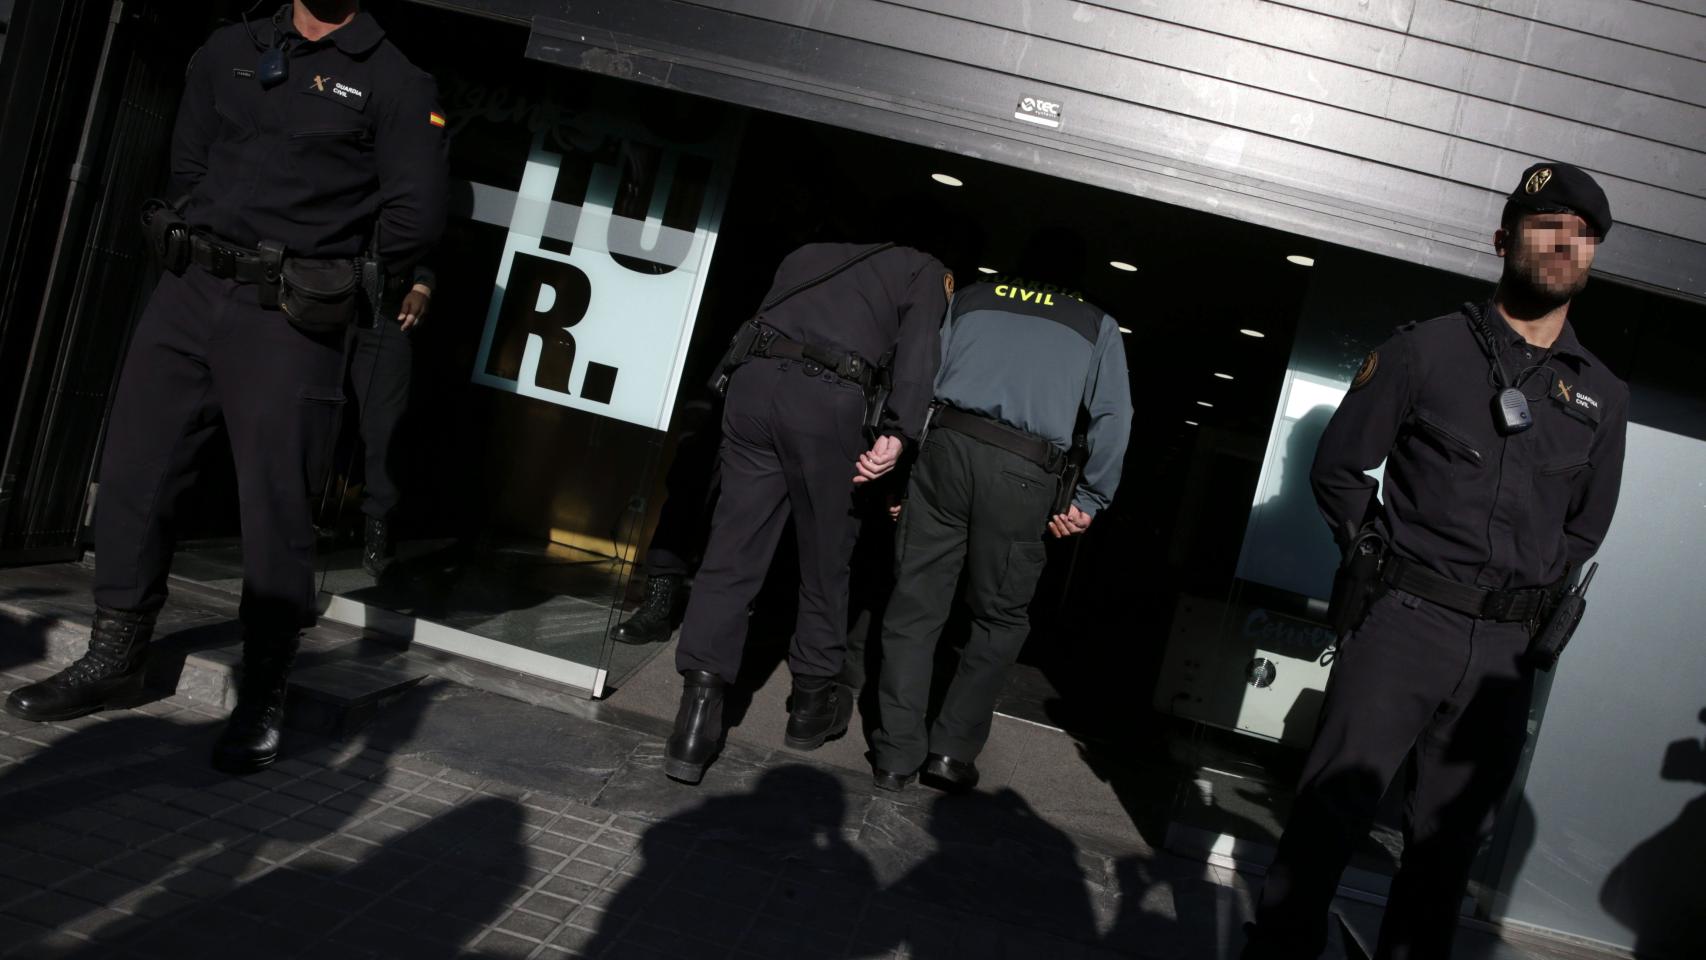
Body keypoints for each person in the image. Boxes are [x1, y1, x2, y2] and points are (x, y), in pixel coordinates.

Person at [3, 1, 448, 777]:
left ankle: (262, 691)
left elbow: (416, 214)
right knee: (137, 473)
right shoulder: (229, 47)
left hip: (289, 313)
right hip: (189, 290)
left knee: (276, 503)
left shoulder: (395, 81)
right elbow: (188, 162)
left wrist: (327, 261)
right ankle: (116, 656)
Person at [1242, 161, 1629, 959]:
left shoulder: (1604, 397)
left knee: (1446, 853)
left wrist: (1522, 599)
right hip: (1404, 622)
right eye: (1546, 227)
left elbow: (1585, 530)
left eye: (1583, 234)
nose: (1565, 244)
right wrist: (1377, 557)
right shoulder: (1426, 351)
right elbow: (1339, 467)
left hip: (1504, 653)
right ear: (1503, 239)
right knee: (1327, 819)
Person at [663, 241, 949, 784]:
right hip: (829, 399)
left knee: (730, 554)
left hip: (754, 387)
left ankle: (693, 724)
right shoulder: (922, 267)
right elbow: (918, 354)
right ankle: (810, 705)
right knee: (825, 557)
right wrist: (899, 431)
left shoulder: (805, 252)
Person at [869, 255, 1133, 793]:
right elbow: (1115, 415)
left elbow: (921, 374)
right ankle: (949, 753)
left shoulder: (970, 297)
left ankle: (895, 755)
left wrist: (902, 465)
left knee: (915, 604)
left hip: (946, 450)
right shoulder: (1096, 323)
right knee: (999, 618)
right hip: (1023, 472)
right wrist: (1091, 497)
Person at [353, 263, 435, 577]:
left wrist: (423, 284)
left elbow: (428, 243)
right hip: (322, 294)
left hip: (387, 307)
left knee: (384, 427)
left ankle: (378, 530)